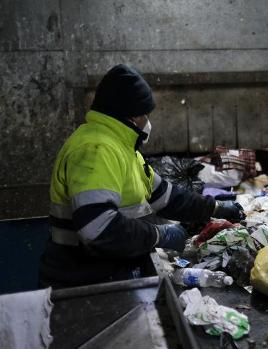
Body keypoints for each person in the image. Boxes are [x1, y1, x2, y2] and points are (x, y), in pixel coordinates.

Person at [39, 64, 245, 288]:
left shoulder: (123, 149)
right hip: (82, 281)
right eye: (144, 114)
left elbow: (166, 196)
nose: (147, 121)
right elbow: (98, 229)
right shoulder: (96, 150)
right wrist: (160, 235)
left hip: (109, 272)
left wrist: (214, 208)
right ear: (129, 114)